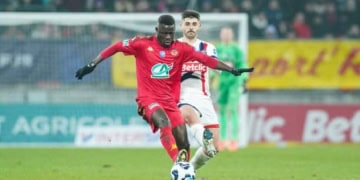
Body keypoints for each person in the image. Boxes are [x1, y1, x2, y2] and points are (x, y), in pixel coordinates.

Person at [75, 14, 253, 163]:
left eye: (171, 33)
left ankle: (183, 170)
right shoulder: (142, 44)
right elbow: (116, 46)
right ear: (156, 31)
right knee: (164, 122)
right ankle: (180, 165)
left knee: (184, 142)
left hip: (170, 101)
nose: (168, 37)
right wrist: (92, 64)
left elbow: (205, 60)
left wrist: (231, 70)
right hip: (148, 100)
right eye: (164, 33)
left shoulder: (181, 49)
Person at [177, 10, 219, 170]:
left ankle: (190, 169)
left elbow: (216, 68)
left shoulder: (208, 47)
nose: (190, 27)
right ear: (181, 26)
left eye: (194, 24)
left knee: (214, 148)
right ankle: (203, 138)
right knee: (187, 113)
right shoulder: (173, 47)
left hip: (203, 99)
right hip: (181, 99)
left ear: (199, 26)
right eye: (187, 24)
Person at [216, 27, 249, 151]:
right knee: (222, 110)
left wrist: (244, 79)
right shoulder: (217, 49)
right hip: (222, 83)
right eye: (224, 33)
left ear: (232, 35)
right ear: (220, 35)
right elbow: (212, 64)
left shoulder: (236, 50)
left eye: (228, 33)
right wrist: (212, 76)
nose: (226, 35)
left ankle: (234, 140)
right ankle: (223, 140)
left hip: (234, 82)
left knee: (232, 109)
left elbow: (243, 65)